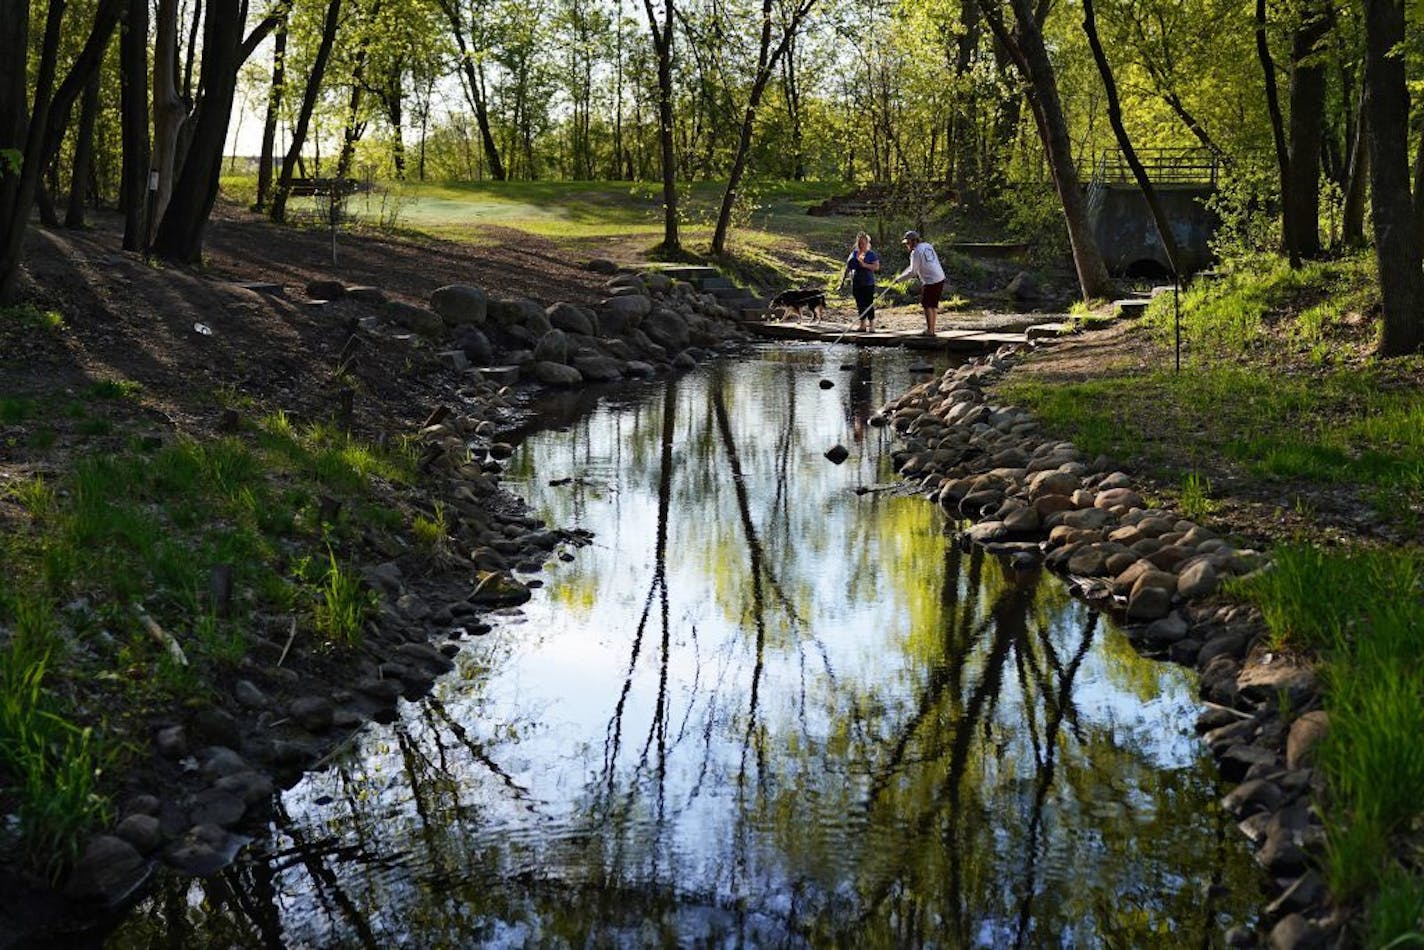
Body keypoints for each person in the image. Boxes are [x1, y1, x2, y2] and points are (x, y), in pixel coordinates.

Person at [894, 230, 947, 335]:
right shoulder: (927, 246)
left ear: (913, 241)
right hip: (940, 277)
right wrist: (900, 276)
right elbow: (913, 267)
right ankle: (932, 329)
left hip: (930, 280)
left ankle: (930, 330)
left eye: (908, 243)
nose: (907, 245)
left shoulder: (915, 252)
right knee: (932, 305)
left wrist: (898, 280)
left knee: (927, 305)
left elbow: (913, 272)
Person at [842, 231, 881, 332]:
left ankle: (872, 325)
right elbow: (848, 267)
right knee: (860, 304)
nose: (860, 245)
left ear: (867, 243)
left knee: (869, 303)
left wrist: (865, 265)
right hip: (856, 283)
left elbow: (876, 267)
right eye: (859, 243)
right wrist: (842, 282)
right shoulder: (854, 254)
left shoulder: (871, 254)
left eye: (863, 243)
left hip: (868, 283)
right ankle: (862, 325)